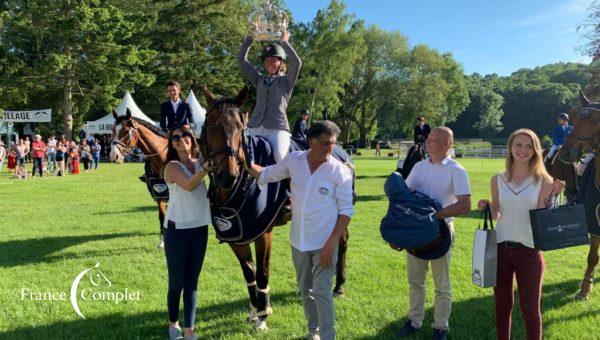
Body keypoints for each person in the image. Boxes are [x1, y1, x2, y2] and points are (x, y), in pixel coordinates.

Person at [246, 121, 354, 340]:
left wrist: (331, 245)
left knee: (322, 292)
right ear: (310, 142)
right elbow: (267, 174)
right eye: (325, 143)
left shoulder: (339, 172)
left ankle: (327, 336)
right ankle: (312, 332)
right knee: (306, 292)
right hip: (299, 242)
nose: (329, 149)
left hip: (325, 244)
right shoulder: (294, 161)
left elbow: (345, 212)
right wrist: (244, 162)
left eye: (332, 144)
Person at [477, 129, 565, 340]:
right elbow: (497, 213)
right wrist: (487, 207)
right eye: (518, 145)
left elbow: (544, 216)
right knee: (502, 306)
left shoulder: (544, 180)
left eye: (528, 146)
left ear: (535, 150)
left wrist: (554, 193)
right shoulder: (497, 179)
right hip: (500, 249)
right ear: (510, 148)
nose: (522, 150)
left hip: (529, 251)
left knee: (530, 310)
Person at [397, 127, 471, 340]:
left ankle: (440, 327)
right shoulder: (419, 166)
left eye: (433, 140)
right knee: (415, 281)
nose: (427, 142)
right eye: (428, 139)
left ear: (447, 143)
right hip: (416, 232)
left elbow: (465, 205)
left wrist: (435, 215)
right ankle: (414, 321)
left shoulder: (457, 170)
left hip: (441, 233)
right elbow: (406, 193)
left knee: (442, 285)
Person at [162, 126, 211, 340]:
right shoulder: (172, 166)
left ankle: (189, 330)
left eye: (185, 135)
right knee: (176, 283)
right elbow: (189, 185)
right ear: (172, 143)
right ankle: (173, 324)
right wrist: (205, 169)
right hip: (176, 230)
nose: (181, 140)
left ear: (192, 139)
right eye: (176, 137)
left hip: (200, 229)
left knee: (192, 282)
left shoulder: (201, 162)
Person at [238, 29, 301, 163]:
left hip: (277, 129)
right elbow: (241, 60)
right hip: (255, 127)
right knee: (239, 155)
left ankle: (289, 183)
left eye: (274, 60)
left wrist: (285, 43)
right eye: (266, 60)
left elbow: (297, 63)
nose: (269, 63)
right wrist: (250, 37)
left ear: (282, 62)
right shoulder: (259, 79)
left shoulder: (286, 81)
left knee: (280, 158)